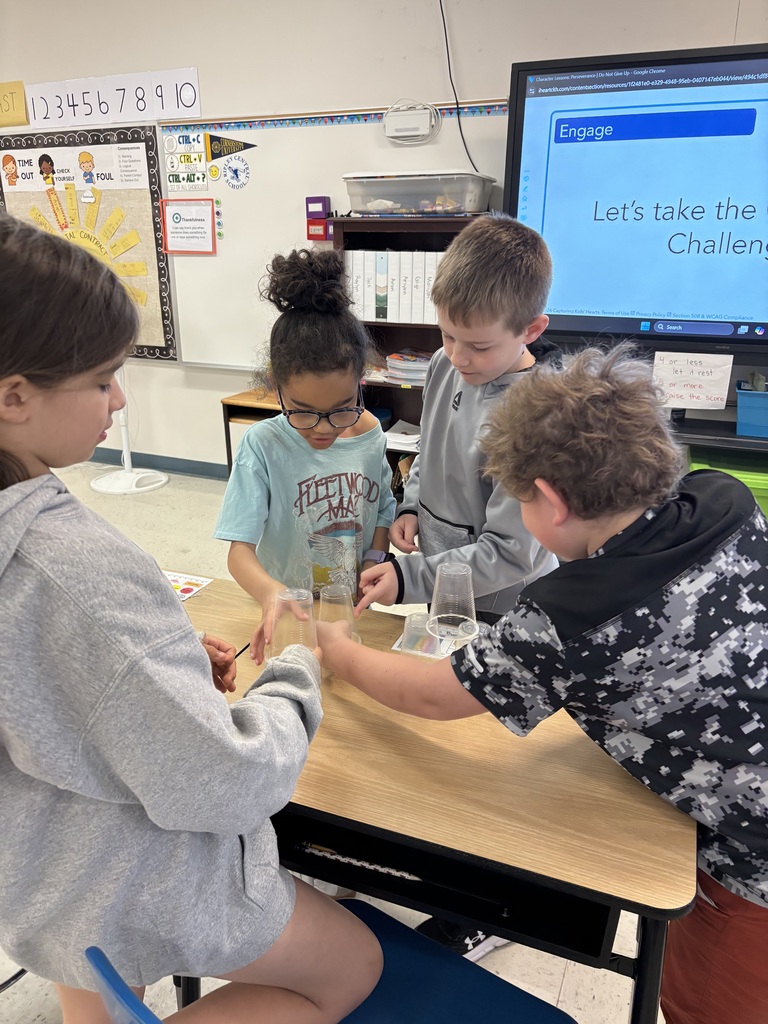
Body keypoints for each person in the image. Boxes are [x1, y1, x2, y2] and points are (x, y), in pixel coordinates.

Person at [0, 215, 382, 1024]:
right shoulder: (69, 567)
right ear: (14, 396)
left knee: (93, 973)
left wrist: (163, 670)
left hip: (37, 868)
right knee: (356, 966)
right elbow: (227, 781)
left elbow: (54, 692)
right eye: (104, 378)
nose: (121, 397)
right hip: (131, 873)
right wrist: (297, 670)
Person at [317, 344, 768, 1024]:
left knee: (702, 1006)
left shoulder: (572, 621)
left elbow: (429, 695)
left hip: (750, 860)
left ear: (551, 503)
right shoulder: (723, 499)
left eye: (517, 500)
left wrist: (337, 647)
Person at [356, 212, 561, 624]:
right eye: (447, 334)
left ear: (532, 330)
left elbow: (510, 553)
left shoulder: (538, 418)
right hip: (442, 576)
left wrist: (407, 577)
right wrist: (410, 506)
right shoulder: (443, 364)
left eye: (480, 345)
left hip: (501, 602)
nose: (458, 356)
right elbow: (429, 448)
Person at [215, 247, 396, 661]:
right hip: (284, 612)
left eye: (340, 409)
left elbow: (383, 509)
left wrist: (372, 558)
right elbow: (238, 552)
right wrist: (270, 593)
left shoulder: (371, 436)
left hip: (346, 611)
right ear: (277, 385)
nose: (323, 429)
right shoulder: (262, 445)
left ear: (361, 381)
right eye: (303, 412)